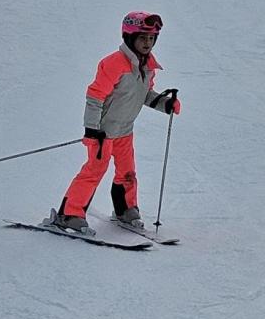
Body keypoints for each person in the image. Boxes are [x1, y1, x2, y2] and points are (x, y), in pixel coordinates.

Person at [55, 12, 181, 233]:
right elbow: (95, 97)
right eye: (143, 38)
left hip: (125, 131)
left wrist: (165, 104)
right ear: (129, 37)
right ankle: (69, 214)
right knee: (94, 170)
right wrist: (92, 130)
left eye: (151, 39)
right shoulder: (113, 64)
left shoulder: (148, 67)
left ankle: (125, 210)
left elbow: (144, 94)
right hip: (103, 133)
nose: (147, 43)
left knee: (127, 172)